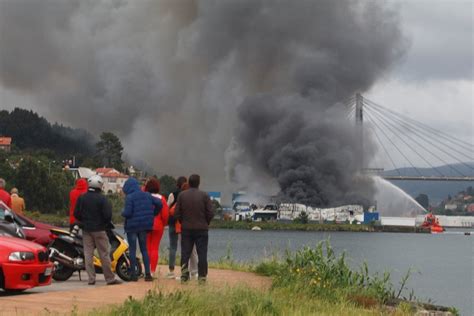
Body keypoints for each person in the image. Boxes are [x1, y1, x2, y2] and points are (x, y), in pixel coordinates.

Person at [74, 175, 121, 286]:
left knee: (88, 254)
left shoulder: (82, 197)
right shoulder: (103, 199)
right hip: (100, 229)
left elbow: (76, 214)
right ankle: (109, 278)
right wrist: (103, 223)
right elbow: (108, 215)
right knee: (104, 254)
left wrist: (84, 221)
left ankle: (91, 278)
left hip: (86, 229)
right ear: (100, 185)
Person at [175, 174, 214, 283]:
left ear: (189, 182)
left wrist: (183, 222)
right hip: (202, 229)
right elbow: (210, 212)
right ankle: (202, 277)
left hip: (186, 229)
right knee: (202, 254)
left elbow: (177, 213)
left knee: (185, 253)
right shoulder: (205, 195)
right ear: (198, 183)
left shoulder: (182, 196)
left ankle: (184, 276)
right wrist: (206, 222)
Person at [122, 177, 162, 282]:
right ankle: (148, 274)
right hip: (144, 227)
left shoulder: (130, 197)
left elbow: (128, 213)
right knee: (144, 249)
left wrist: (123, 212)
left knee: (132, 250)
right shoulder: (147, 195)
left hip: (132, 227)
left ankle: (133, 275)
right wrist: (154, 213)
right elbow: (159, 203)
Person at [144, 178, 169, 274]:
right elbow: (165, 214)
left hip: (145, 224)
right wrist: (164, 223)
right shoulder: (161, 198)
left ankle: (146, 270)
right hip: (158, 225)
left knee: (146, 248)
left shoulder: (144, 197)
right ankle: (152, 270)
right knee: (155, 248)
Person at [166, 176, 187, 279]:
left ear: (177, 184)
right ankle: (184, 271)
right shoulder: (187, 195)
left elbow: (167, 207)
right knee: (185, 248)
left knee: (173, 247)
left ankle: (171, 271)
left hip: (173, 223)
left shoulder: (172, 195)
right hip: (184, 224)